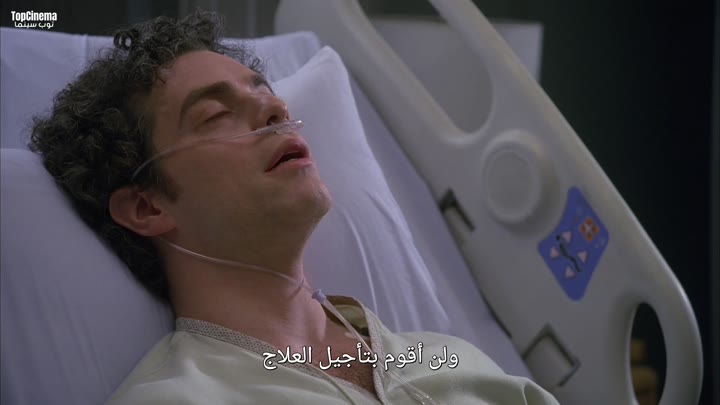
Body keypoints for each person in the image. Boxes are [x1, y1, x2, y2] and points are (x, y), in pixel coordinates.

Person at [29, 10, 559, 405]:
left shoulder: (447, 359)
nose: (275, 109)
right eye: (214, 115)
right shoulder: (177, 399)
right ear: (146, 207)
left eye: (265, 93)